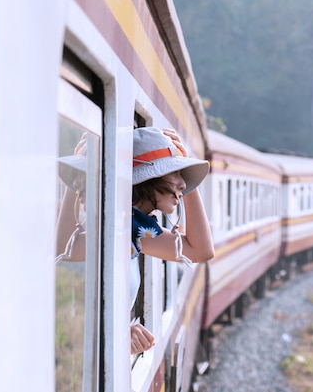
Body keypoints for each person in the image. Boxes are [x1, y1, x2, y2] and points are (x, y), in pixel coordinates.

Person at [57, 127, 214, 355]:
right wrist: (119, 333)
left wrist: (121, 329)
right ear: (147, 176)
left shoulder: (134, 230)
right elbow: (63, 249)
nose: (183, 184)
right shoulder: (112, 229)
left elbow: (200, 250)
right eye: (175, 173)